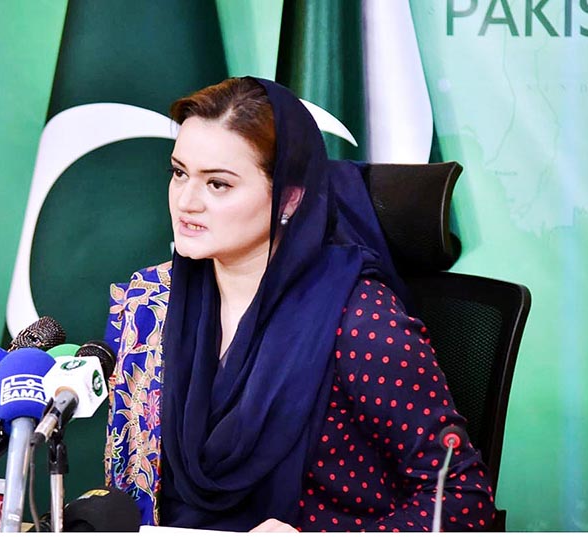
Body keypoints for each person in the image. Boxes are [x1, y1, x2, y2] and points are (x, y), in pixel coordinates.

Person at [103, 77, 495, 532]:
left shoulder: (360, 321)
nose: (186, 201)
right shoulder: (150, 302)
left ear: (290, 196)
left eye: (219, 185)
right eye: (179, 173)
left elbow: (464, 500)